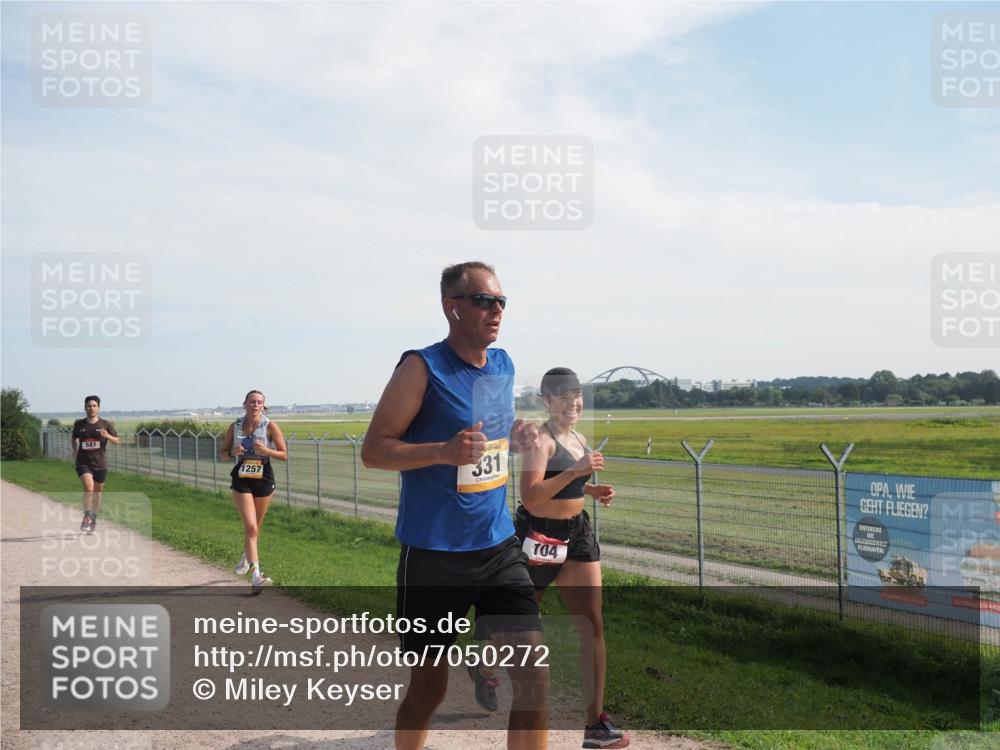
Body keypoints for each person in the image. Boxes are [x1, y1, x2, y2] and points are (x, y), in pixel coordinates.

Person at [362, 261, 548, 750]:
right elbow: (375, 450)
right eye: (485, 301)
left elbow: (493, 431)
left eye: (502, 301)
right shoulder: (421, 367)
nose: (497, 311)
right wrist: (441, 452)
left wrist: (518, 433)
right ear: (453, 307)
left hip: (498, 547)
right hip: (433, 556)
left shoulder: (503, 365)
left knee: (534, 673)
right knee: (429, 687)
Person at [516, 368, 629, 749]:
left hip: (577, 535)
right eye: (563, 397)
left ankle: (595, 725)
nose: (573, 403)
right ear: (546, 401)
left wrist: (592, 490)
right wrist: (577, 472)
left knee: (592, 625)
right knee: (520, 622)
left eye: (577, 395)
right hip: (538, 533)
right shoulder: (540, 440)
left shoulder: (579, 438)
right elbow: (531, 497)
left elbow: (571, 483)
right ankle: (484, 664)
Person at [219, 389, 287, 593]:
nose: (255, 405)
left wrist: (266, 451)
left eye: (259, 402)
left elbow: (284, 454)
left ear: (263, 406)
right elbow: (222, 454)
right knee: (250, 527)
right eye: (251, 401)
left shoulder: (270, 426)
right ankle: (257, 576)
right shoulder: (235, 426)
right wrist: (233, 452)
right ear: (245, 404)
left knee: (255, 527)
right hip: (242, 476)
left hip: (264, 476)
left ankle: (247, 556)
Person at [72, 395, 120, 534]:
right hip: (83, 462)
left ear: (98, 408)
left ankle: (93, 519)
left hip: (100, 463)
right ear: (85, 407)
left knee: (98, 493)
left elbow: (117, 440)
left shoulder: (105, 424)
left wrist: (108, 436)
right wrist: (75, 449)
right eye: (89, 406)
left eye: (94, 406)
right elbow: (74, 438)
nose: (91, 408)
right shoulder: (79, 424)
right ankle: (86, 516)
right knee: (89, 488)